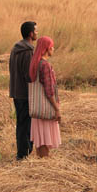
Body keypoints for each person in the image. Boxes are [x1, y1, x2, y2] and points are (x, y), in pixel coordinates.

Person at [29, 36, 61, 158]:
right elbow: (49, 90)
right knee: (45, 138)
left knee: (40, 137)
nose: (53, 48)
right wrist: (56, 109)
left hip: (38, 108)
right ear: (47, 48)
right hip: (45, 108)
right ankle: (44, 163)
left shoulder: (35, 63)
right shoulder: (45, 65)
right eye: (52, 46)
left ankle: (41, 161)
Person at [9, 21, 37, 160]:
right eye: (36, 31)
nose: (37, 33)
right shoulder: (28, 51)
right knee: (25, 124)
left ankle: (23, 152)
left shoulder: (15, 49)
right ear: (31, 34)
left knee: (21, 123)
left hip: (16, 91)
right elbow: (29, 75)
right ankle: (23, 154)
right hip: (25, 94)